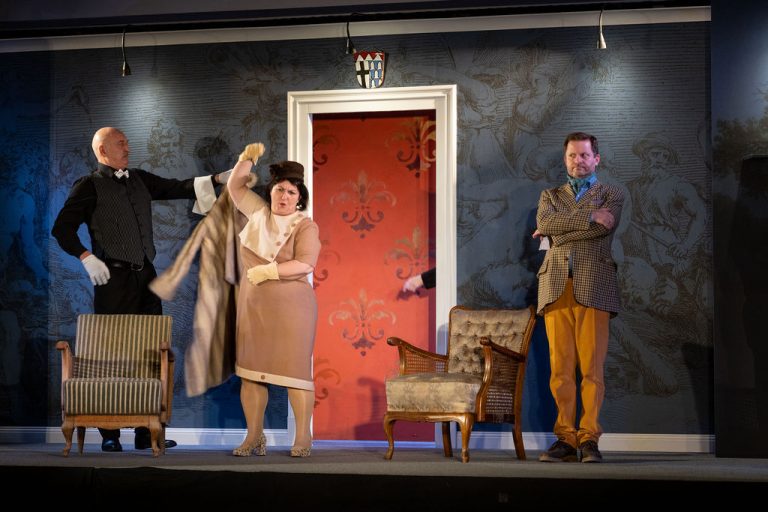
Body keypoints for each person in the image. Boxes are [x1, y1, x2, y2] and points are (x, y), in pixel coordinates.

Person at [51, 126, 232, 452]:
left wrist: (218, 179)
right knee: (110, 354)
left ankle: (146, 431)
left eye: (127, 143)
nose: (128, 148)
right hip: (112, 279)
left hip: (146, 277)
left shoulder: (139, 179)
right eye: (120, 144)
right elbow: (62, 228)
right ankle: (109, 433)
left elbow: (177, 187)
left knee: (150, 350)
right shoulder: (89, 185)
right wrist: (86, 257)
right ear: (103, 150)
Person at [532, 131, 624, 463]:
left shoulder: (611, 194)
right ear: (565, 159)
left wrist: (556, 230)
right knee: (560, 370)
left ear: (596, 159)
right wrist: (588, 215)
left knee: (591, 370)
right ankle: (566, 438)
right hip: (555, 286)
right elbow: (544, 221)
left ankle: (589, 438)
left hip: (594, 285)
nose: (578, 161)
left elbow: (603, 228)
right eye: (572, 155)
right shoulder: (550, 195)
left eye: (584, 155)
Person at [227, 144, 321, 458]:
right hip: (254, 307)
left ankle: (303, 437)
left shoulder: (305, 226)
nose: (284, 196)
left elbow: (306, 263)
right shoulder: (257, 214)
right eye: (280, 189)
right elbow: (235, 186)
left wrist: (269, 271)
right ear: (270, 192)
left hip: (292, 310)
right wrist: (247, 159)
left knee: (295, 375)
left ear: (300, 198)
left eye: (291, 192)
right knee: (252, 374)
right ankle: (254, 436)